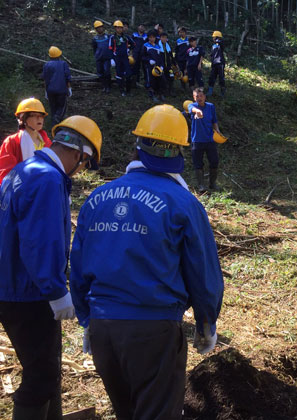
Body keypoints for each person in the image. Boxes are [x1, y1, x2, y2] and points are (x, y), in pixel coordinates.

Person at [69, 104, 224, 420]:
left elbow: (78, 265)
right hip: (153, 332)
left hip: (103, 329)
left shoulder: (97, 198)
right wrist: (206, 322)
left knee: (126, 412)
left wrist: (87, 318)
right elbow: (203, 272)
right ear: (180, 151)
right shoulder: (183, 203)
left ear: (137, 145)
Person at [0, 115, 102, 419]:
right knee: (41, 377)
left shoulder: (22, 171)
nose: (80, 170)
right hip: (28, 293)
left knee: (46, 369)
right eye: (83, 164)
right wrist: (56, 291)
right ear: (78, 154)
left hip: (12, 284)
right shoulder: (47, 179)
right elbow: (41, 241)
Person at [0, 98, 51, 183]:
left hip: (44, 190)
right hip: (20, 192)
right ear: (22, 119)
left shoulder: (47, 142)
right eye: (33, 115)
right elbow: (6, 174)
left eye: (41, 115)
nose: (39, 118)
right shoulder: (12, 141)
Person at [188, 87, 222, 192]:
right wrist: (197, 111)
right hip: (197, 140)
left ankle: (212, 184)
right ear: (194, 98)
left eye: (201, 96)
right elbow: (191, 109)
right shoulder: (192, 106)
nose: (199, 98)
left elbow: (214, 120)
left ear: (205, 97)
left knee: (214, 161)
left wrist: (217, 131)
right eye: (197, 96)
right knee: (198, 163)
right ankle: (201, 185)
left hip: (210, 140)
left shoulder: (211, 107)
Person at [43, 46, 71, 125]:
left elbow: (45, 79)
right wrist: (69, 88)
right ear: (59, 55)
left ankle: (54, 126)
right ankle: (58, 120)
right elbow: (67, 77)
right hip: (61, 90)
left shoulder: (46, 65)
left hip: (50, 90)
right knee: (61, 108)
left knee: (53, 108)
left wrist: (46, 91)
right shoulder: (63, 64)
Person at [109, 20, 136, 96]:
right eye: (117, 28)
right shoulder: (112, 37)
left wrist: (129, 49)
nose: (119, 29)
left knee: (128, 74)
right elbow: (110, 48)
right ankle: (122, 91)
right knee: (119, 75)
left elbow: (134, 44)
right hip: (117, 58)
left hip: (125, 58)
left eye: (120, 28)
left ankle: (128, 91)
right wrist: (111, 59)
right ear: (115, 28)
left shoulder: (126, 37)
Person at [142, 29, 165, 102]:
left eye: (153, 37)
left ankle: (160, 94)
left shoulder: (158, 46)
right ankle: (151, 94)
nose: (152, 39)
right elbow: (142, 56)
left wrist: (161, 65)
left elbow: (161, 57)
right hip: (149, 66)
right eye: (150, 37)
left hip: (157, 67)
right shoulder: (145, 46)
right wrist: (149, 60)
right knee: (150, 80)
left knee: (160, 79)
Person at [92, 20, 113, 93]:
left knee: (107, 72)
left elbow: (112, 46)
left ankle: (108, 87)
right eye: (98, 28)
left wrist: (112, 57)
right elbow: (94, 48)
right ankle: (104, 86)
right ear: (96, 29)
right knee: (100, 73)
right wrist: (96, 55)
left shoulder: (108, 36)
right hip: (99, 58)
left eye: (101, 27)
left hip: (107, 58)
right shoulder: (95, 38)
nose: (100, 29)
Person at [207, 30, 226, 97]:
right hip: (214, 63)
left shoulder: (221, 44)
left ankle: (222, 92)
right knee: (212, 77)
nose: (213, 39)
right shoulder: (213, 46)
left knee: (221, 78)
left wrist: (219, 40)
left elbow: (222, 45)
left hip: (220, 63)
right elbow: (212, 54)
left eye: (214, 37)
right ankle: (210, 91)